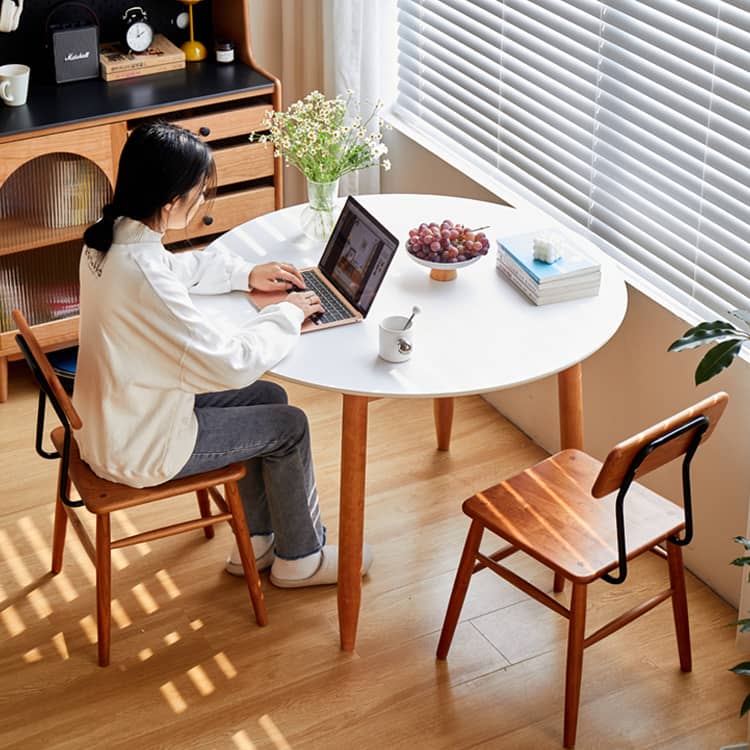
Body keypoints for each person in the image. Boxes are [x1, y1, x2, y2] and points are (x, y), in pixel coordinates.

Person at [74, 121, 373, 587]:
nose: (198, 204)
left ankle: (256, 539)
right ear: (171, 202)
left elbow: (176, 270)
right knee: (289, 426)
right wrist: (287, 315)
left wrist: (246, 273)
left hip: (120, 413)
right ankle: (302, 559)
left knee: (270, 395)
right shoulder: (143, 276)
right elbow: (229, 365)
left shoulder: (110, 238)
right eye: (197, 193)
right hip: (142, 444)